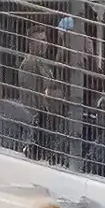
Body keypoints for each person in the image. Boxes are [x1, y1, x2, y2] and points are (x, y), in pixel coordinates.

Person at [17, 25, 69, 165]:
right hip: (38, 121)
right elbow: (31, 97)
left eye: (44, 40)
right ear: (30, 43)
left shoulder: (43, 63)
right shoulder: (30, 63)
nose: (42, 44)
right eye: (38, 40)